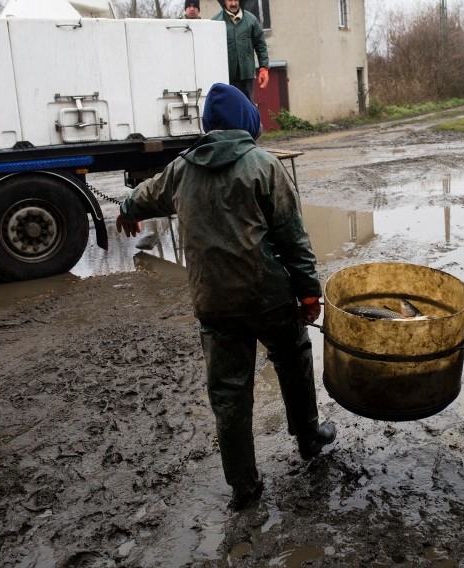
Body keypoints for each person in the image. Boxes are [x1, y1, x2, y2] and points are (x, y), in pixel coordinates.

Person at [115, 83, 336, 511]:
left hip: (214, 304)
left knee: (229, 392)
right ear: (246, 123)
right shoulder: (264, 165)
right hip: (268, 296)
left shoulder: (182, 169)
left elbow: (145, 196)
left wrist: (126, 206)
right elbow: (293, 237)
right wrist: (309, 293)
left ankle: (244, 485)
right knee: (292, 358)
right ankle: (309, 438)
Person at [212, 0, 269, 101]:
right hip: (226, 76)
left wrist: (264, 68)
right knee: (228, 107)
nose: (233, 3)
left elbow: (261, 45)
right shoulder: (215, 22)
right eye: (229, 0)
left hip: (246, 75)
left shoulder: (251, 20)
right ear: (223, 1)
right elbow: (210, 51)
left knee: (247, 107)